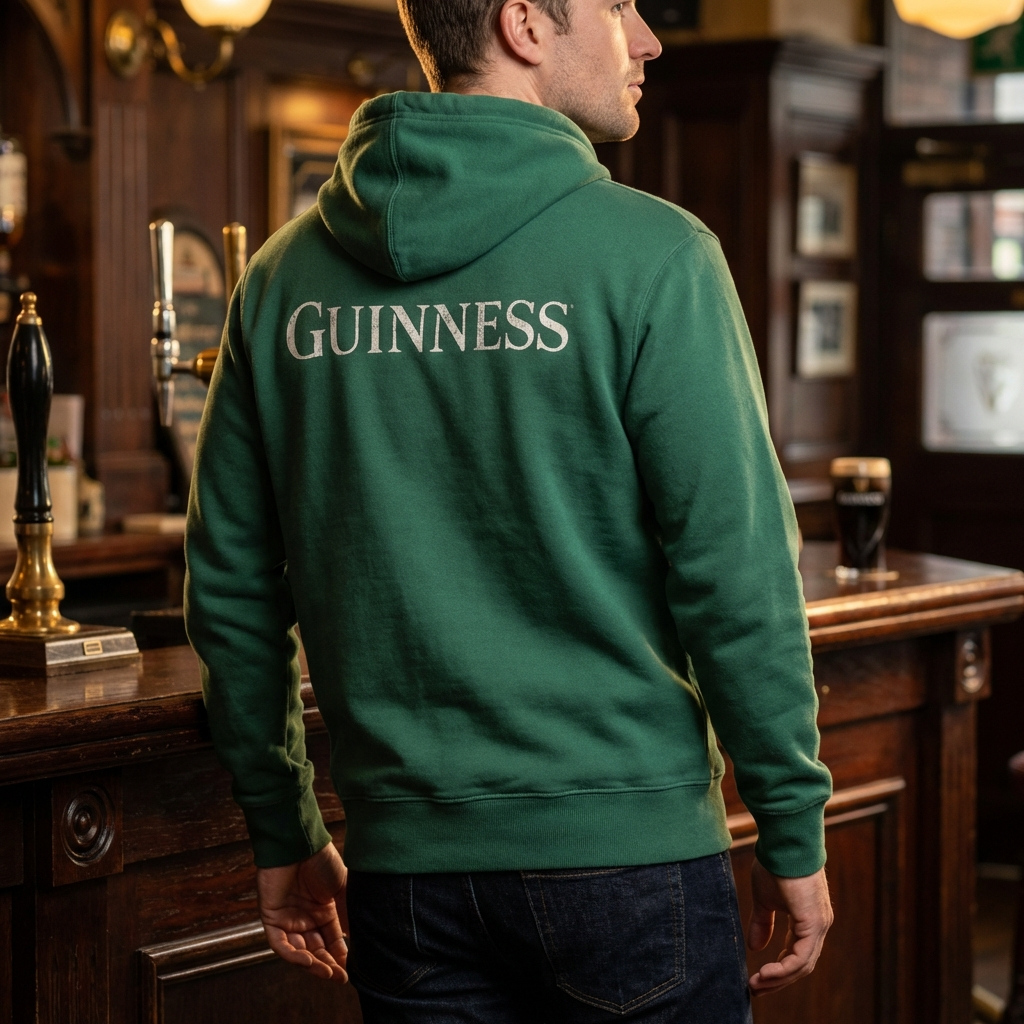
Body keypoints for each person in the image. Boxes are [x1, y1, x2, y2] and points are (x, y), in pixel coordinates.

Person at [184, 0, 834, 1020]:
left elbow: (228, 592)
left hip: (403, 880)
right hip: (631, 861)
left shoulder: (280, 281)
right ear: (525, 22)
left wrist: (284, 828)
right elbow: (735, 571)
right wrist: (791, 825)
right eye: (620, 6)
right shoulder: (657, 256)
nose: (649, 39)